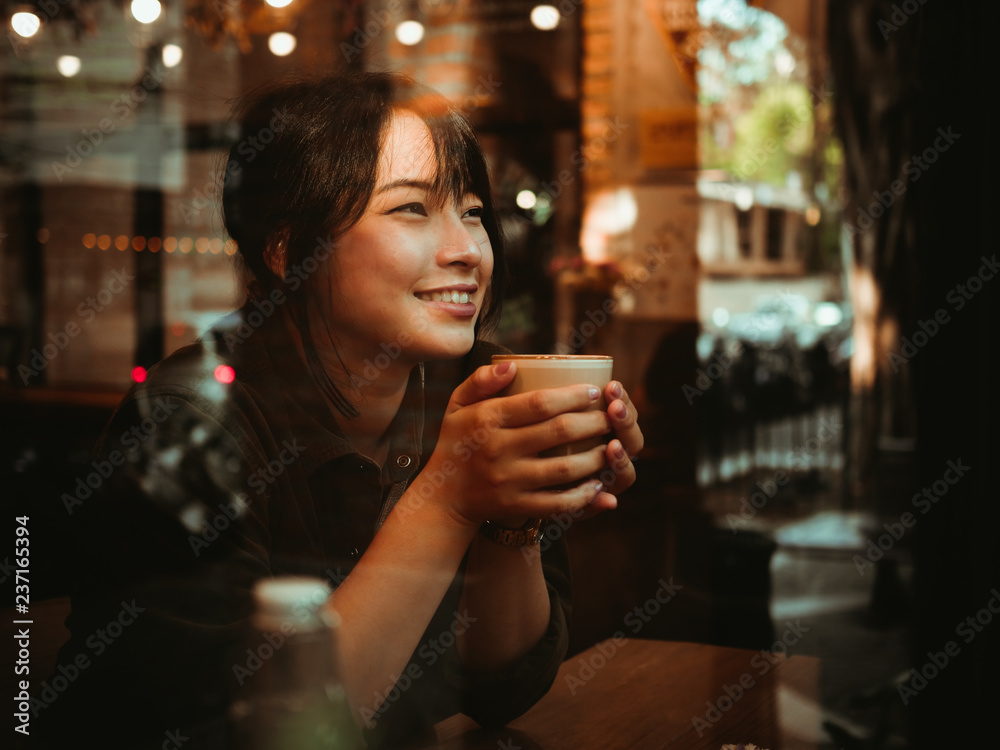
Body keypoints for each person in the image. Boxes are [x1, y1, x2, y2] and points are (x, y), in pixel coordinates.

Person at [35, 71, 643, 749]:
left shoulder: (476, 387)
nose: (467, 250)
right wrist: (449, 499)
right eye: (411, 209)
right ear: (289, 250)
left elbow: (502, 687)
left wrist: (512, 513)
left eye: (471, 212)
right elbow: (248, 733)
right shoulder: (185, 425)